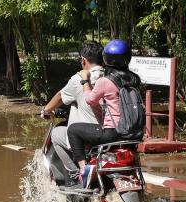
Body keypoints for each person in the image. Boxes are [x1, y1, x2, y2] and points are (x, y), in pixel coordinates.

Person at [67, 39, 139, 186]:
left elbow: (90, 100)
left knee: (73, 130)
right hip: (134, 133)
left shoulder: (105, 81)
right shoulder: (135, 80)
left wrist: (85, 81)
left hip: (112, 133)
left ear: (106, 58)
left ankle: (83, 170)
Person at [39, 42, 106, 181]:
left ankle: (76, 174)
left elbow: (60, 96)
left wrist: (46, 110)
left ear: (83, 60)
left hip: (88, 136)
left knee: (56, 134)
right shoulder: (112, 76)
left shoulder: (79, 79)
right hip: (112, 134)